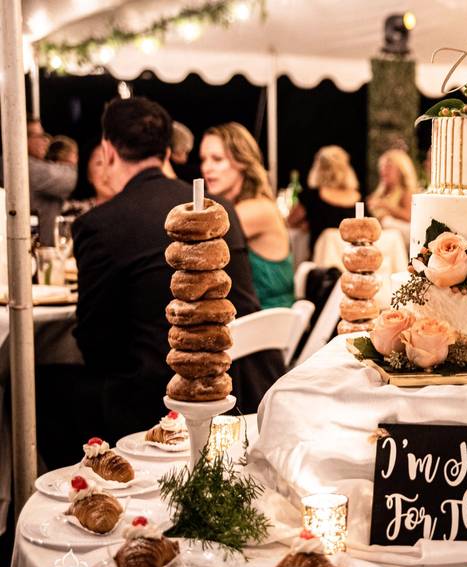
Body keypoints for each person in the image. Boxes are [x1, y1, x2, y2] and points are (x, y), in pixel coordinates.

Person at [42, 97, 285, 468]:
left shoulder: (98, 224)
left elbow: (95, 344)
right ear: (168, 150)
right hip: (237, 385)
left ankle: (79, 488)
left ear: (107, 151)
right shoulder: (220, 212)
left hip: (147, 401)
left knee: (41, 385)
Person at [201, 123, 294, 309]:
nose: (206, 168)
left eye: (217, 159)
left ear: (242, 161)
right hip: (247, 318)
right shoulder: (235, 207)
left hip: (267, 324)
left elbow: (197, 239)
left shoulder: (259, 208)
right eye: (203, 159)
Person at [0, 118, 77, 246]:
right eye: (40, 136)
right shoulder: (19, 165)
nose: (45, 140)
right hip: (32, 252)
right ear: (22, 137)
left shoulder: (31, 164)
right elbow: (69, 179)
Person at [294, 145, 361, 249]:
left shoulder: (312, 197)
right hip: (354, 259)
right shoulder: (359, 199)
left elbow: (290, 222)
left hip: (322, 262)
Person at [368, 148, 418, 244]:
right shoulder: (381, 191)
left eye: (388, 167)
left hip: (402, 239)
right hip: (384, 238)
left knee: (387, 221)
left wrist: (385, 206)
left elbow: (408, 217)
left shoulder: (407, 191)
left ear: (400, 170)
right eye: (382, 167)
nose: (383, 171)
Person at [62, 143, 116, 216]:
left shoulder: (134, 213)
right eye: (100, 163)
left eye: (112, 162)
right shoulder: (71, 212)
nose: (107, 171)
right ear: (89, 174)